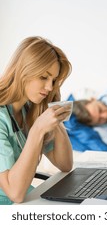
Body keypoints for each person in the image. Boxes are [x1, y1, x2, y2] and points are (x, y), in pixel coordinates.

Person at [0, 36, 73, 204]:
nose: (49, 87)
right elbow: (15, 193)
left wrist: (54, 114)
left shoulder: (28, 111)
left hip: (24, 201)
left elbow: (65, 164)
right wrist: (37, 130)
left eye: (53, 80)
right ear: (24, 71)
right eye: (43, 77)